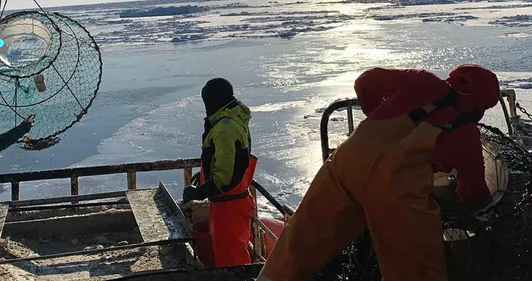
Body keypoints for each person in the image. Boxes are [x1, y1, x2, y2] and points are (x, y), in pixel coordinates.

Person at [257, 64, 501, 281]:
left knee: (302, 239)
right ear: (483, 104)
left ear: (457, 76)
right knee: (416, 267)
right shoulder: (467, 134)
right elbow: (473, 191)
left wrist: (374, 114)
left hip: (347, 163)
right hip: (396, 193)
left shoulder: (422, 81)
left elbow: (366, 81)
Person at [182, 77, 258, 267]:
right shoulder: (232, 118)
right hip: (232, 201)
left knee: (231, 262)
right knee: (232, 254)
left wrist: (198, 192)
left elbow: (226, 177)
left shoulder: (225, 128)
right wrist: (203, 178)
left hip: (229, 206)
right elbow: (227, 161)